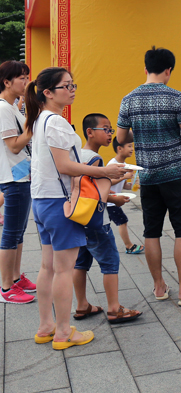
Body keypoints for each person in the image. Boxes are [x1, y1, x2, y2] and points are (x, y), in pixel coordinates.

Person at [28, 67, 126, 349]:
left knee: (48, 267)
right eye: (65, 86)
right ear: (47, 93)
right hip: (62, 203)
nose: (71, 90)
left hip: (43, 201)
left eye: (73, 85)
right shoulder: (56, 122)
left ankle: (46, 326)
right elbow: (65, 166)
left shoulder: (40, 120)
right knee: (62, 270)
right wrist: (104, 172)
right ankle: (62, 332)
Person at [116, 47, 181, 307]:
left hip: (147, 176)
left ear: (145, 68)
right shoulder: (176, 97)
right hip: (175, 172)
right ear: (168, 70)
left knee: (151, 231)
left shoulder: (129, 99)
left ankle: (159, 287)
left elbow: (122, 138)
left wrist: (143, 135)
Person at [73, 113, 142, 323]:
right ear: (90, 132)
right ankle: (114, 308)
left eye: (111, 129)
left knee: (80, 263)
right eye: (106, 128)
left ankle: (82, 305)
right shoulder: (96, 160)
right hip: (96, 219)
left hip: (78, 219)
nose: (110, 133)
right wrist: (116, 199)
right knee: (110, 262)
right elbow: (98, 193)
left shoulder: (77, 157)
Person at [0, 61, 36, 304]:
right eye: (21, 78)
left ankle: (14, 278)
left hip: (22, 175)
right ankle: (5, 288)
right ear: (7, 82)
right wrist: (34, 125)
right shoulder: (3, 109)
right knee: (11, 233)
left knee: (19, 232)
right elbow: (13, 146)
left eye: (26, 77)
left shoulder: (12, 107)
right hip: (13, 178)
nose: (25, 82)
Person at [107, 136, 144, 254]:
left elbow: (122, 185)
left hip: (114, 200)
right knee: (122, 221)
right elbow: (108, 182)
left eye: (132, 146)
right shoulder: (113, 165)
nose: (132, 149)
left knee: (104, 225)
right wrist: (125, 177)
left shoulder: (124, 165)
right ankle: (129, 246)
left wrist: (132, 185)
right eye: (129, 146)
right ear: (119, 148)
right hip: (109, 201)